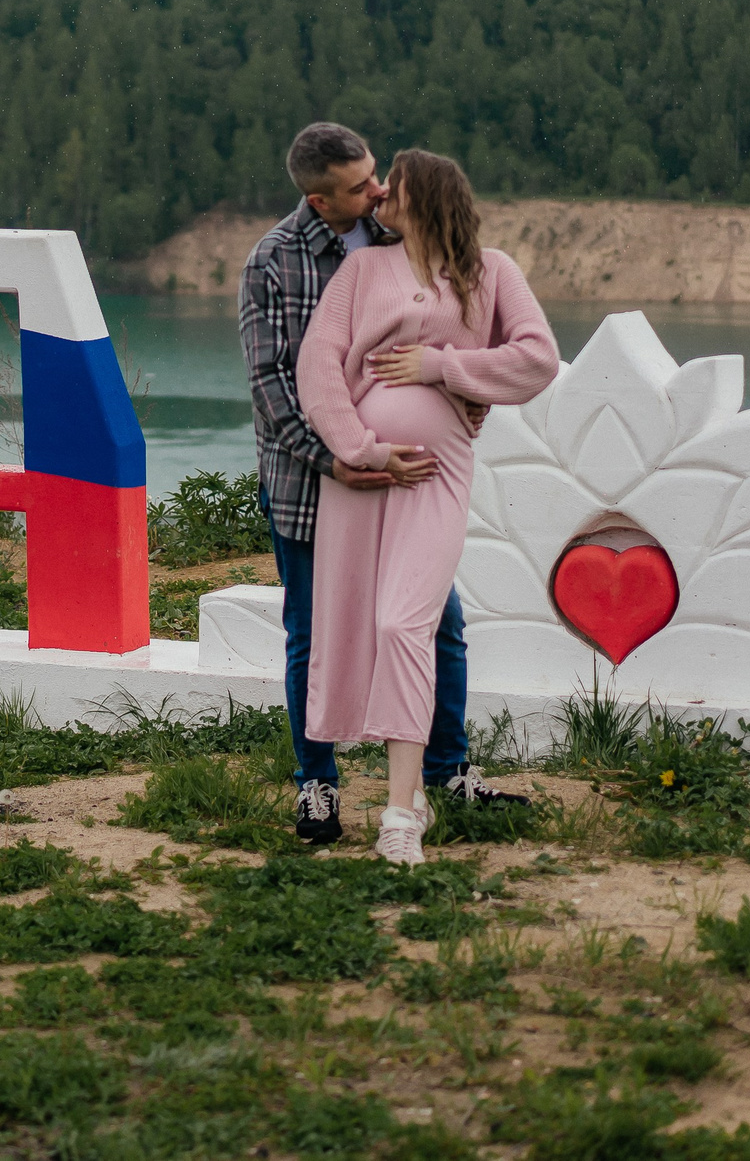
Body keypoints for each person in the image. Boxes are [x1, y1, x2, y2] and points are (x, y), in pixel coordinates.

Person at [239, 124, 527, 846]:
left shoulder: (389, 238)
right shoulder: (275, 260)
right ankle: (318, 785)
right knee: (313, 630)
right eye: (362, 184)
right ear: (318, 195)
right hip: (316, 478)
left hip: (415, 482)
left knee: (438, 623)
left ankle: (444, 769)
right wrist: (345, 458)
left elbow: (456, 327)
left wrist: (464, 387)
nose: (377, 191)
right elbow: (275, 385)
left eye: (379, 176)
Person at [298, 148, 559, 866]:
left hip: (437, 476)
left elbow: (537, 357)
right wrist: (362, 449)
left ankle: (399, 815)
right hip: (365, 481)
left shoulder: (491, 272)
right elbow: (318, 364)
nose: (382, 192)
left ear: (430, 194)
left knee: (403, 620)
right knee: (359, 625)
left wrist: (443, 366)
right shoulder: (362, 271)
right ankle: (408, 798)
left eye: (396, 183)